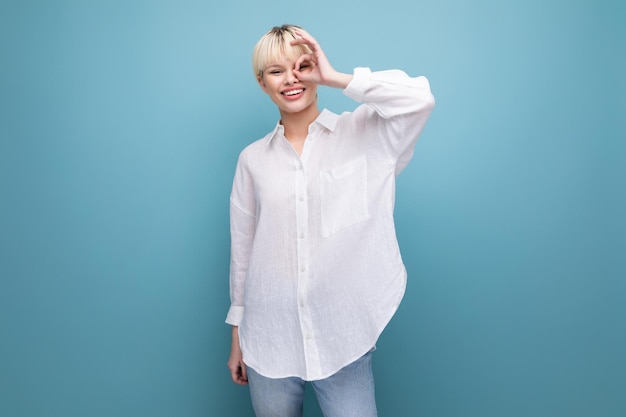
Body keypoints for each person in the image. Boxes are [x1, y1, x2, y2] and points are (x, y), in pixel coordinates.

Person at [226, 24, 435, 417]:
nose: (291, 79)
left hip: (343, 335)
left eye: (301, 66)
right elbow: (243, 249)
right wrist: (238, 336)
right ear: (262, 83)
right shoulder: (251, 160)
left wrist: (337, 77)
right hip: (268, 336)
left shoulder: (366, 134)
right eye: (276, 71)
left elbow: (419, 99)